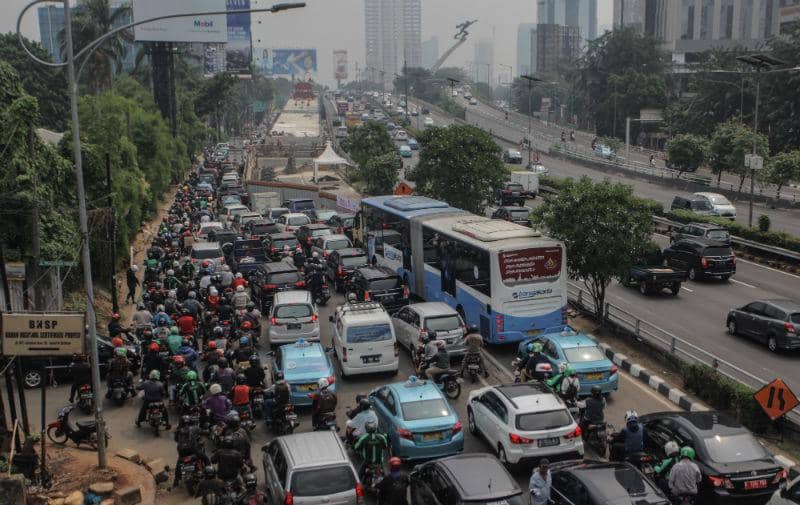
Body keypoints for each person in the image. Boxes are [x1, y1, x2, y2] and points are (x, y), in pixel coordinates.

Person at [173, 414, 210, 489]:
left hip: (182, 452)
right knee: (205, 458)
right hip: (193, 450)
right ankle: (210, 474)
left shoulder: (178, 430)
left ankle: (176, 481)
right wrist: (207, 431)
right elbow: (205, 432)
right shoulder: (195, 428)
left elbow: (176, 439)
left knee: (179, 463)